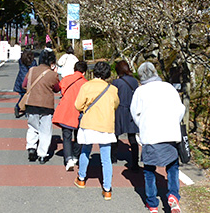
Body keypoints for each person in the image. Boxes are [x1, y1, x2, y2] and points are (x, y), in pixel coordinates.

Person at [131, 62, 185, 213]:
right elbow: (180, 109)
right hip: (170, 133)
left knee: (149, 170)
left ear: (140, 76)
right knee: (172, 167)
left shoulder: (140, 92)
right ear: (155, 72)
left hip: (151, 134)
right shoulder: (169, 88)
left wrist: (142, 125)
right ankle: (173, 195)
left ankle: (152, 203)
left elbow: (135, 113)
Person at [74, 61, 119, 201]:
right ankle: (107, 189)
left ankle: (81, 178)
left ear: (94, 72)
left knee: (85, 150)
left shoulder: (86, 86)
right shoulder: (112, 89)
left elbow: (77, 105)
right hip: (105, 125)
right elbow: (116, 104)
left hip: (89, 124)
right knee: (106, 158)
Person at [23, 49, 60, 163]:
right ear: (52, 62)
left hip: (31, 104)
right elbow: (57, 89)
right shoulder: (52, 74)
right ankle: (42, 154)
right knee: (45, 131)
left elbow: (24, 85)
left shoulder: (32, 70)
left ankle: (31, 147)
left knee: (32, 127)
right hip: (46, 106)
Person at [52, 60, 88, 171]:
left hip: (66, 110)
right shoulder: (86, 83)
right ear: (85, 72)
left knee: (66, 136)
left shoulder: (67, 79)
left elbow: (57, 88)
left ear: (74, 69)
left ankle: (68, 159)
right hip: (80, 112)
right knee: (79, 136)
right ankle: (75, 156)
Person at [111, 60, 140, 170]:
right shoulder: (134, 81)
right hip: (132, 110)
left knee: (115, 135)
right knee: (132, 137)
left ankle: (113, 158)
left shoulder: (116, 83)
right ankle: (135, 162)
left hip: (119, 110)